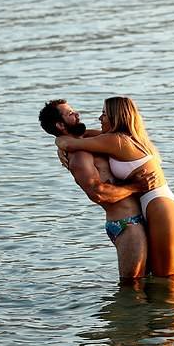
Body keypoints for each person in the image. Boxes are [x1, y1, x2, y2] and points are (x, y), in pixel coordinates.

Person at [55, 96, 174, 277]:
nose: (99, 118)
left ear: (116, 117)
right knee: (160, 278)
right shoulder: (116, 138)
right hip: (152, 205)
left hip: (161, 207)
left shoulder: (116, 140)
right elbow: (81, 136)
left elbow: (69, 142)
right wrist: (61, 145)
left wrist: (59, 143)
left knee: (167, 280)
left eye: (104, 114)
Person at [39, 99, 157, 280]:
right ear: (60, 125)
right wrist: (135, 187)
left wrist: (59, 141)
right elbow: (98, 193)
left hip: (135, 221)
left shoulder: (85, 141)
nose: (77, 114)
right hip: (126, 224)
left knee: (149, 281)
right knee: (131, 287)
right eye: (70, 114)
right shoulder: (79, 156)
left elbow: (104, 134)